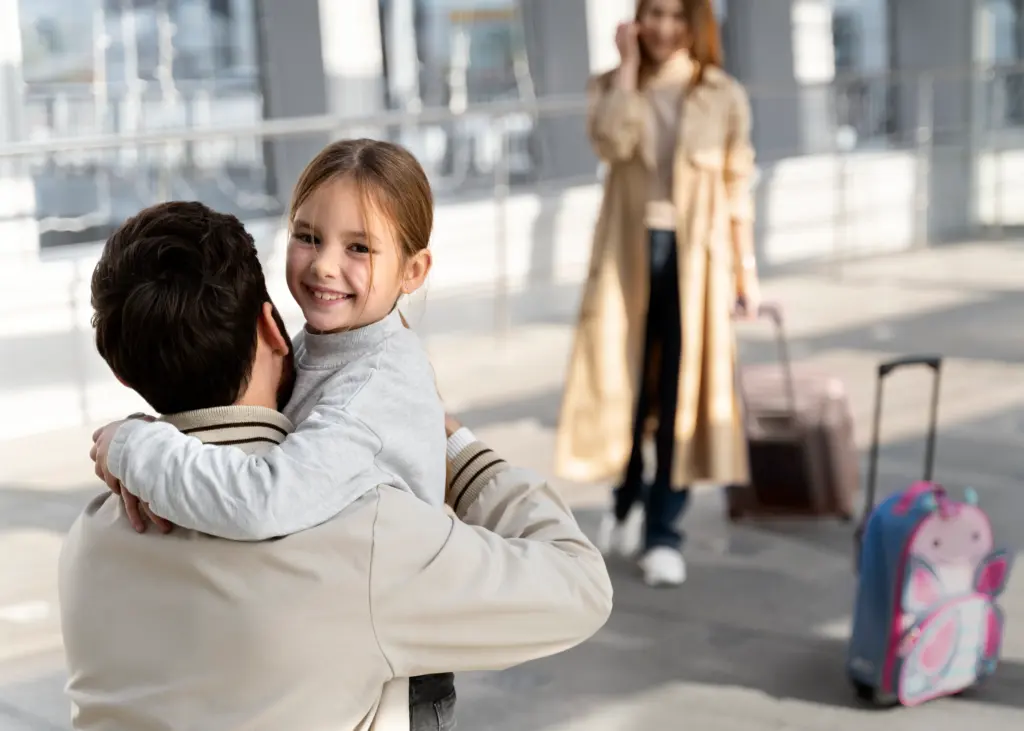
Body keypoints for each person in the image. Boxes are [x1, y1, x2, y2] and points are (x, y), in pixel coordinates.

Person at [61, 201, 614, 731]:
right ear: (273, 329)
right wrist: (462, 454)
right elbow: (581, 588)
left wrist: (132, 441)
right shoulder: (367, 536)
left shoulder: (89, 539)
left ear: (124, 377)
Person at [91, 138, 457, 723]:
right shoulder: (325, 344)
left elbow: (266, 498)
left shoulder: (373, 386)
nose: (323, 265)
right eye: (308, 236)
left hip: (403, 669)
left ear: (414, 271)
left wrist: (139, 445)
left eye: (358, 247)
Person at [554, 0, 760, 587]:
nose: (665, 27)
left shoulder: (722, 93)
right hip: (628, 255)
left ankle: (665, 531)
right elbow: (614, 144)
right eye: (655, 13)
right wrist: (624, 68)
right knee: (624, 386)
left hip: (699, 262)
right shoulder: (612, 85)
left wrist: (746, 274)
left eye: (677, 15)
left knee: (680, 396)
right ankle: (625, 499)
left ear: (696, 22)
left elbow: (737, 184)